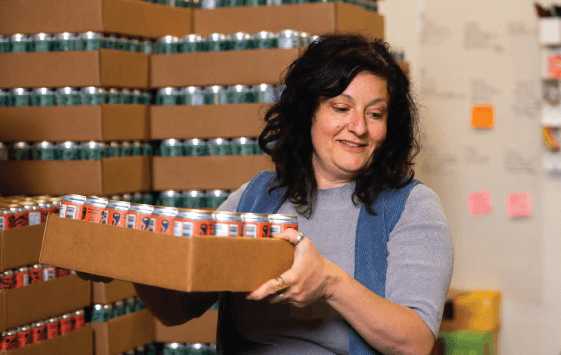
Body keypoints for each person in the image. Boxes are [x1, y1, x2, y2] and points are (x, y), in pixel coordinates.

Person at [82, 34, 453, 355]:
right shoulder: (256, 198)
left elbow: (415, 343)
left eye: (375, 114)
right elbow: (179, 307)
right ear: (308, 112)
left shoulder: (411, 208)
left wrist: (329, 281)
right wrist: (126, 258)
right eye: (341, 108)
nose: (358, 127)